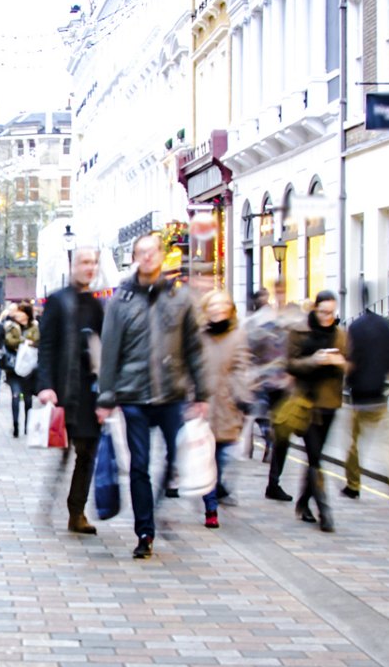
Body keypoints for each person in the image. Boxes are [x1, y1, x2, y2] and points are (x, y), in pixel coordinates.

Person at [97, 233, 209, 560]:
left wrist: (201, 392)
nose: (147, 257)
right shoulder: (121, 299)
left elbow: (194, 348)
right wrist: (106, 397)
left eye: (152, 252)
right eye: (141, 252)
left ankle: (159, 504)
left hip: (172, 392)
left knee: (178, 458)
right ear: (134, 257)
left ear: (162, 256)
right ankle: (144, 531)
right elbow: (109, 351)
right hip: (133, 395)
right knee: (139, 466)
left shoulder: (180, 297)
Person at [36, 247, 105, 535]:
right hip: (65, 388)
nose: (89, 267)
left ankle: (76, 511)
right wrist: (45, 386)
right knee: (62, 450)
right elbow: (47, 346)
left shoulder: (98, 305)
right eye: (84, 262)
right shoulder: (57, 301)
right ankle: (49, 500)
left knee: (87, 453)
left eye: (93, 262)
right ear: (73, 265)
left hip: (90, 392)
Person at [286, 290, 350, 533]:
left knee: (315, 457)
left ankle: (303, 503)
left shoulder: (340, 335)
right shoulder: (299, 332)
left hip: (330, 404)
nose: (327, 317)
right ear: (314, 310)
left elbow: (350, 365)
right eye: (323, 312)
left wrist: (339, 362)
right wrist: (314, 360)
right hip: (306, 404)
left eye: (331, 313)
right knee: (315, 457)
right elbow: (290, 364)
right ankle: (325, 511)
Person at [344, 289, 389, 510]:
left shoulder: (355, 327)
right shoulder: (384, 325)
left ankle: (353, 485)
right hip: (380, 395)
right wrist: (381, 374)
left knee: (354, 445)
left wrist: (351, 381)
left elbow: (350, 359)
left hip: (360, 397)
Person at [198, 291, 253, 529]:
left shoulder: (238, 336)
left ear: (230, 309)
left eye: (223, 305)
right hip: (204, 406)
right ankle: (211, 509)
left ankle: (215, 489)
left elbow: (241, 368)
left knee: (221, 457)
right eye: (214, 305)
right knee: (206, 459)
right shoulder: (198, 336)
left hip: (228, 405)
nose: (218, 309)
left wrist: (243, 397)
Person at [245, 282, 301, 501]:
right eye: (276, 292)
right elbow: (248, 350)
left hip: (283, 387)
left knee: (282, 436)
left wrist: (293, 373)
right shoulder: (259, 321)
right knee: (247, 430)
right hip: (261, 386)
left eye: (282, 292)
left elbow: (298, 349)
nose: (279, 295)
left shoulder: (293, 319)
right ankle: (221, 483)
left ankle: (274, 483)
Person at [3, 303, 39, 438]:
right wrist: (24, 341)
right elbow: (8, 341)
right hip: (14, 368)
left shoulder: (34, 327)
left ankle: (27, 425)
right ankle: (16, 425)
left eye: (21, 312)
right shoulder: (10, 326)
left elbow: (38, 341)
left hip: (29, 368)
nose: (18, 314)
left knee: (28, 399)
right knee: (15, 396)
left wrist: (27, 343)